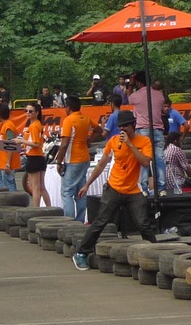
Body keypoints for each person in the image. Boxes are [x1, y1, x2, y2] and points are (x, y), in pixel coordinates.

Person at [71, 110, 157, 271]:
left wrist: (130, 145)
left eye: (126, 127)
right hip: (114, 187)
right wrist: (87, 184)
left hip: (133, 190)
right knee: (100, 222)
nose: (122, 130)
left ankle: (155, 252)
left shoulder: (144, 141)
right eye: (120, 128)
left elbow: (145, 163)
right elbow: (101, 164)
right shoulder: (113, 141)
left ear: (133, 125)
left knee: (143, 223)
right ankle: (81, 253)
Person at [55, 96, 102, 222]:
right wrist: (89, 140)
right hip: (85, 158)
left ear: (68, 108)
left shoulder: (69, 120)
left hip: (72, 160)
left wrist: (59, 162)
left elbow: (64, 144)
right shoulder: (85, 118)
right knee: (81, 192)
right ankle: (80, 220)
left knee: (67, 192)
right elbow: (99, 130)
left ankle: (70, 222)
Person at [127, 70, 167, 196]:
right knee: (159, 159)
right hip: (158, 130)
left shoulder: (136, 95)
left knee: (144, 159)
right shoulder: (159, 95)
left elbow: (128, 97)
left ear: (138, 82)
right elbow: (161, 110)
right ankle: (162, 188)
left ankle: (144, 188)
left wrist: (131, 85)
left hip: (143, 130)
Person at [16, 103, 50, 207]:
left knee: (35, 187)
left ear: (37, 113)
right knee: (41, 187)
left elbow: (35, 143)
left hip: (34, 156)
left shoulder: (34, 125)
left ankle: (36, 209)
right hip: (38, 156)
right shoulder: (36, 124)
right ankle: (49, 208)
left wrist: (21, 141)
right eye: (26, 111)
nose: (27, 113)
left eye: (30, 111)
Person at [0, 104, 20, 191]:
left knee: (9, 186)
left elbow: (11, 145)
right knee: (8, 185)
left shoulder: (8, 126)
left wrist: (8, 163)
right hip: (5, 162)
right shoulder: (5, 125)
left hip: (8, 163)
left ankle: (14, 204)